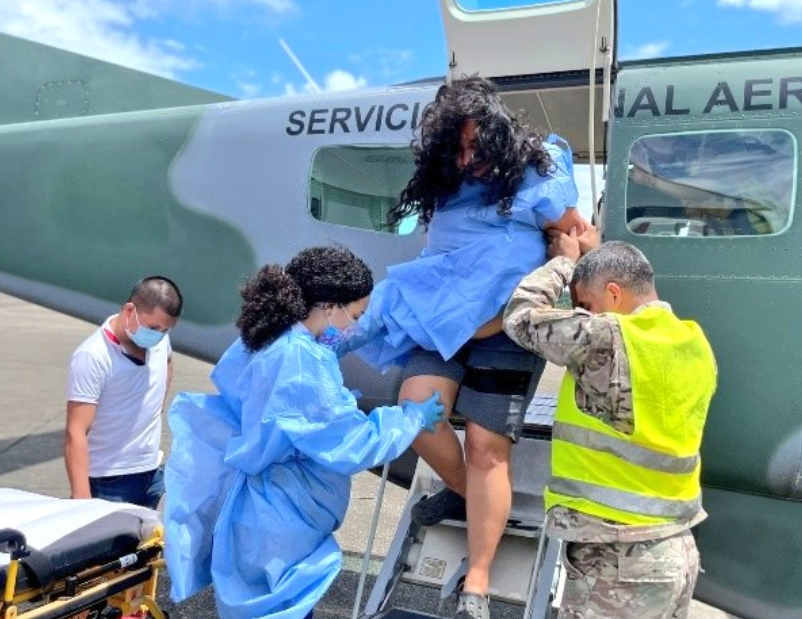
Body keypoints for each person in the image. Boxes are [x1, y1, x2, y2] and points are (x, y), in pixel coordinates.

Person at [349, 76, 588, 619]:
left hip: (504, 329)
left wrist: (567, 268)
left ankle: (475, 584)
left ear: (501, 136)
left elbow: (582, 238)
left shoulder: (537, 174)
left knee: (486, 448)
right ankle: (463, 492)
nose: (468, 158)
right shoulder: (444, 182)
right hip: (442, 322)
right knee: (416, 413)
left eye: (477, 146)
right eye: (456, 148)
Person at [164, 246, 445, 619]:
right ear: (330, 305)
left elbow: (266, 398)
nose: (353, 327)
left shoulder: (270, 337)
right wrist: (408, 418)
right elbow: (352, 444)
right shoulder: (302, 361)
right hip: (284, 518)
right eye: (355, 315)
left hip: (257, 511)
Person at [502, 233, 717, 619]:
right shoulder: (695, 343)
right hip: (675, 552)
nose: (584, 313)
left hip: (619, 562)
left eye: (586, 304)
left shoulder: (605, 337)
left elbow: (519, 315)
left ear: (614, 293)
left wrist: (564, 262)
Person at [65, 276, 183, 509]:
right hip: (109, 483)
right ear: (129, 310)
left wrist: (155, 407)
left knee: (148, 546)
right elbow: (75, 432)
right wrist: (81, 501)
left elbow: (167, 361)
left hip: (152, 475)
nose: (158, 335)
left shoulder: (160, 341)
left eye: (165, 330)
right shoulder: (93, 356)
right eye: (153, 328)